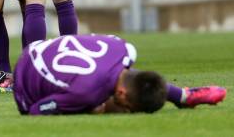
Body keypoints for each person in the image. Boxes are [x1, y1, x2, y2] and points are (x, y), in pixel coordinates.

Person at [13, 34, 227, 115]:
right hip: (25, 82)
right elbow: (36, 110)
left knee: (120, 74)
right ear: (122, 95)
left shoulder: (124, 49)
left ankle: (183, 96)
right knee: (97, 103)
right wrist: (88, 111)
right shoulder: (86, 94)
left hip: (42, 46)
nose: (128, 114)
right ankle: (183, 96)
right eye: (130, 110)